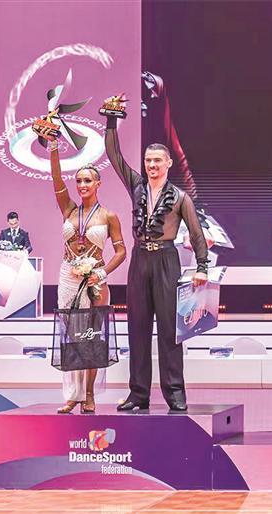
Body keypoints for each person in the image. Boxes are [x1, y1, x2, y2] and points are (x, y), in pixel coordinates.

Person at [104, 105, 208, 412]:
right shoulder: (136, 185)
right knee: (137, 329)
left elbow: (197, 234)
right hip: (139, 260)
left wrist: (202, 267)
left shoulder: (180, 197)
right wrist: (111, 120)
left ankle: (175, 393)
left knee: (168, 331)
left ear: (168, 163)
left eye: (157, 160)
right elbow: (114, 156)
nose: (151, 165)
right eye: (148, 160)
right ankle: (138, 394)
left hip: (166, 260)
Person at [37, 128, 127, 414]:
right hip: (67, 277)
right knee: (70, 336)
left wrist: (101, 273)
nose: (82, 185)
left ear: (98, 183)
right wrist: (53, 146)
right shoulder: (69, 209)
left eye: (87, 180)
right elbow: (56, 180)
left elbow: (122, 251)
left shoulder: (109, 216)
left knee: (91, 337)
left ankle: (88, 395)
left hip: (95, 280)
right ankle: (72, 394)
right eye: (78, 181)